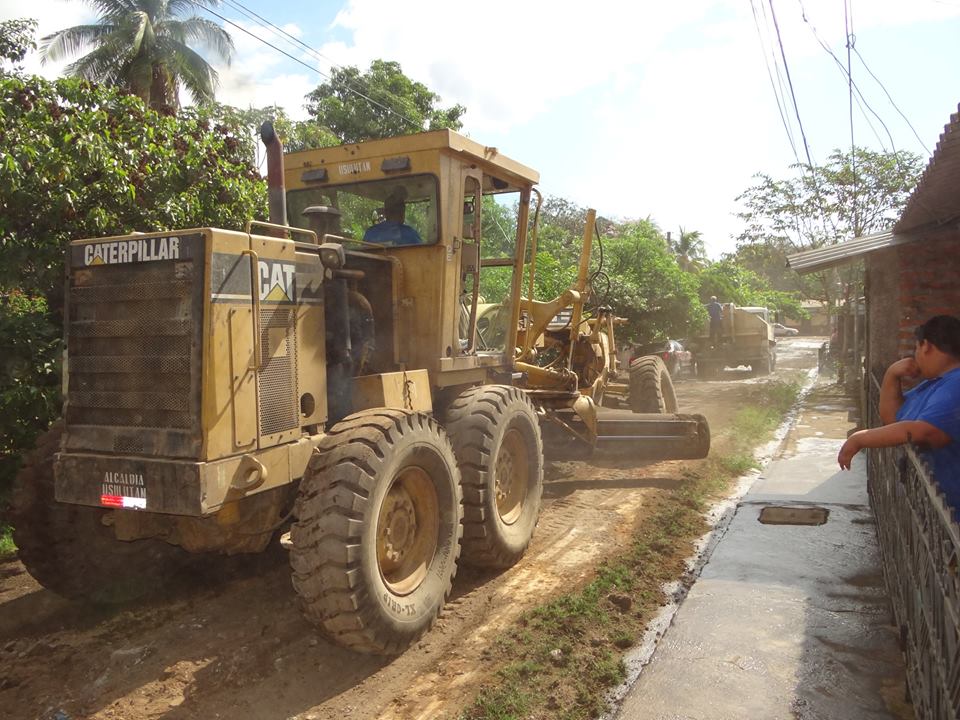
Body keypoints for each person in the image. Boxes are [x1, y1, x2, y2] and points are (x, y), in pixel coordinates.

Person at [838, 315, 960, 514]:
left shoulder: (955, 385)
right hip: (938, 509)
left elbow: (926, 432)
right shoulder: (936, 384)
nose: (916, 356)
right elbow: (893, 419)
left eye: (916, 349)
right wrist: (891, 375)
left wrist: (860, 438)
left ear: (926, 346)